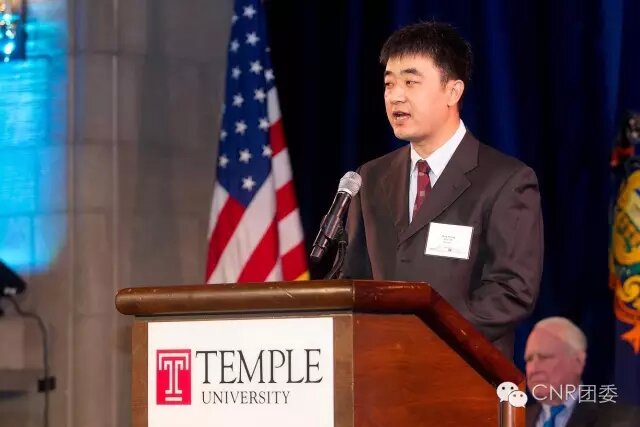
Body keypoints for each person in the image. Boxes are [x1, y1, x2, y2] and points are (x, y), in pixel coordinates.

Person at [341, 21, 543, 357]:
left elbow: (512, 290)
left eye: (410, 82)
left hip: (463, 367)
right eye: (389, 83)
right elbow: (354, 279)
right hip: (380, 367)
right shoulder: (371, 177)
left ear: (453, 91)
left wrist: (430, 334)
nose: (395, 96)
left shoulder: (506, 179)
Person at [525, 317, 640, 426]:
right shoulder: (517, 418)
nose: (533, 369)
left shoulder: (624, 420)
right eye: (528, 359)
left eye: (545, 357)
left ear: (578, 361)